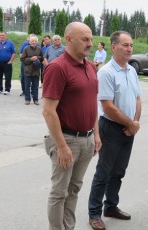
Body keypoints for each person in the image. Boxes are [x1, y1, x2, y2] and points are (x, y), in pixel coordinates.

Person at [42, 22, 101, 230]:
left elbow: (91, 102)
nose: (90, 44)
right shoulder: (57, 68)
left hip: (86, 140)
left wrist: (96, 134)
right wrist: (62, 146)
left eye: (91, 39)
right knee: (59, 193)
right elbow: (48, 111)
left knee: (74, 189)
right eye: (85, 39)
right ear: (68, 39)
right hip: (66, 140)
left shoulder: (90, 67)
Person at [88, 31, 142, 230]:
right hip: (110, 128)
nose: (129, 49)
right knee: (104, 172)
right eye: (125, 45)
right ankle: (94, 213)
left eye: (131, 45)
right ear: (113, 47)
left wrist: (134, 123)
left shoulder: (132, 70)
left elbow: (137, 99)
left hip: (128, 128)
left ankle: (111, 206)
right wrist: (130, 124)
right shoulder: (106, 72)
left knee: (119, 171)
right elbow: (108, 106)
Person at [21, 35, 43, 105]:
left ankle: (36, 99)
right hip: (28, 70)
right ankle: (27, 99)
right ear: (29, 42)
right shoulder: (26, 49)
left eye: (35, 41)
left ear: (37, 42)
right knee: (27, 85)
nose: (34, 42)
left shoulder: (39, 49)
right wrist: (30, 59)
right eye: (32, 41)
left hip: (36, 70)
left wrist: (37, 57)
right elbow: (22, 59)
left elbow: (42, 58)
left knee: (35, 86)